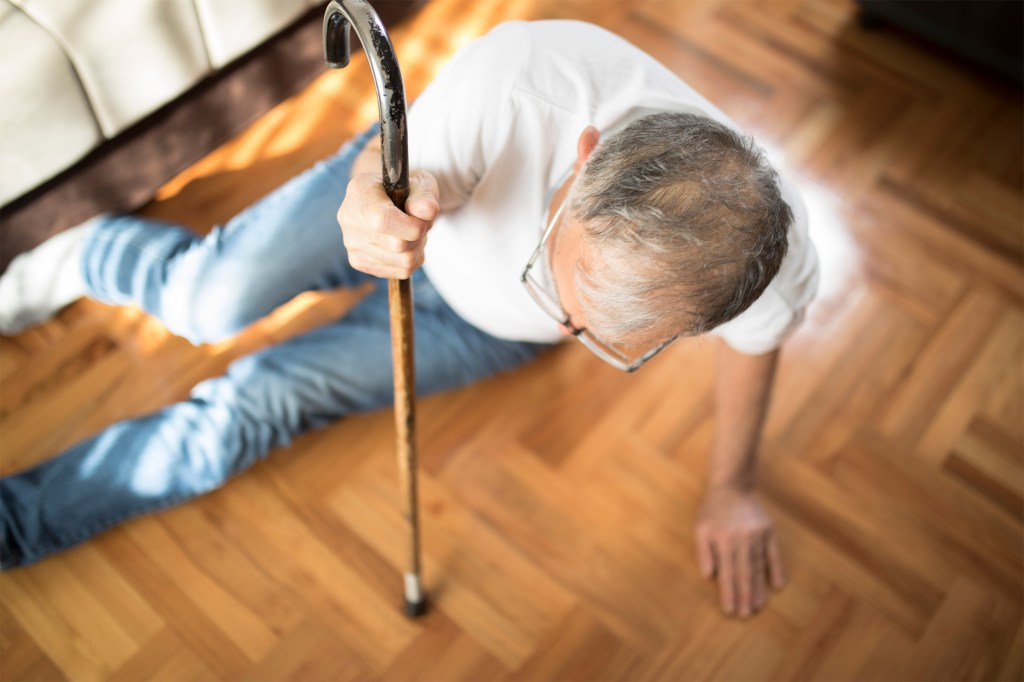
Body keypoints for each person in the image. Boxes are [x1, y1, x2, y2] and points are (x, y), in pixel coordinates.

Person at [0, 19, 817, 618]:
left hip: (480, 331)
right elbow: (382, 168)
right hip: (410, 193)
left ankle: (15, 526)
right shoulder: (521, 78)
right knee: (203, 302)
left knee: (262, 401)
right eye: (554, 276)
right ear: (583, 158)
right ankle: (85, 253)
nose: (567, 328)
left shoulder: (760, 270)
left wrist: (732, 490)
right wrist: (369, 200)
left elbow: (758, 350)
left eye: (603, 338)